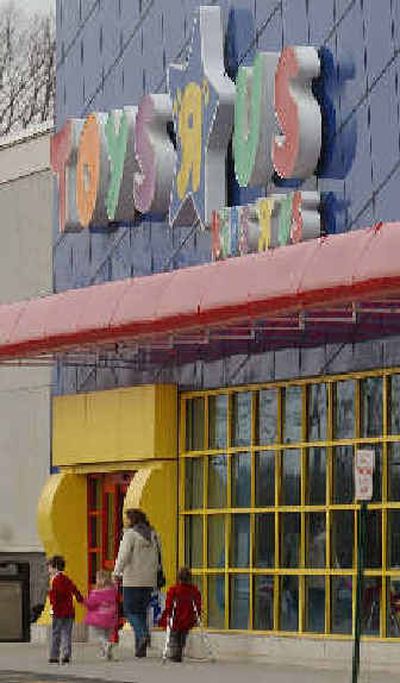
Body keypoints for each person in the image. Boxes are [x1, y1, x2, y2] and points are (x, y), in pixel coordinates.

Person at [113, 508, 160, 658]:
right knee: (141, 612)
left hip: (132, 579)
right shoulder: (153, 535)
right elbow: (159, 556)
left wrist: (116, 573)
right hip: (149, 580)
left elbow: (123, 556)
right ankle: (140, 649)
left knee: (129, 611)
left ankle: (143, 635)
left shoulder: (130, 535)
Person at [159, 567, 202, 662]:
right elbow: (198, 605)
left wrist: (168, 615)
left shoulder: (174, 590)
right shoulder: (194, 590)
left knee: (173, 636)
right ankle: (179, 651)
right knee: (183, 636)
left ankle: (175, 653)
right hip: (188, 618)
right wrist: (197, 616)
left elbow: (169, 604)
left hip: (176, 618)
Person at [47, 555, 84, 664]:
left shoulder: (55, 580)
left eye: (49, 567)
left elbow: (54, 597)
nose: (48, 570)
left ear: (55, 568)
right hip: (69, 612)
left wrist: (52, 606)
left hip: (58, 612)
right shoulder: (67, 579)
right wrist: (80, 599)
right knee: (67, 633)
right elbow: (75, 590)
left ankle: (54, 656)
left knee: (56, 634)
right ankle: (66, 655)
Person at [84, 569, 118, 660]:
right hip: (111, 617)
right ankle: (107, 654)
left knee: (99, 636)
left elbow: (90, 604)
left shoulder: (96, 593)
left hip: (98, 618)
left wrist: (84, 601)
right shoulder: (113, 591)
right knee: (107, 635)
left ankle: (106, 645)